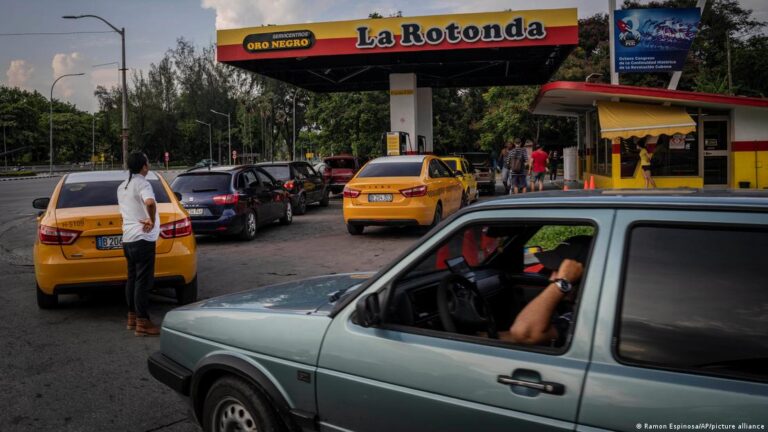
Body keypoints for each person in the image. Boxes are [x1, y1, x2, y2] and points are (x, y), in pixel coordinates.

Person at [504, 235, 592, 347]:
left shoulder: (587, 318)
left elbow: (524, 333)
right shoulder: (578, 309)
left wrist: (562, 283)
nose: (551, 278)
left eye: (560, 272)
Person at [117, 152, 161, 337]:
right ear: (144, 166)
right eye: (147, 162)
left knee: (132, 279)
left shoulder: (122, 187)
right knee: (143, 282)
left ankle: (132, 318)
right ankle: (143, 323)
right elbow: (150, 203)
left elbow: (123, 213)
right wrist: (151, 220)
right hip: (142, 239)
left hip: (128, 240)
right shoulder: (143, 183)